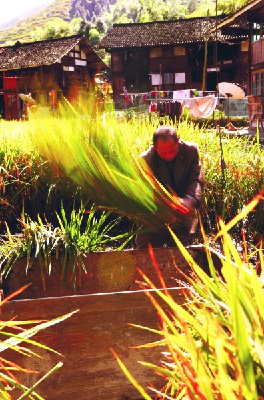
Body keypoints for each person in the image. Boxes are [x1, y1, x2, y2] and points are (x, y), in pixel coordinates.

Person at [136, 125, 204, 248]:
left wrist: (189, 199)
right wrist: (166, 203)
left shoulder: (191, 151)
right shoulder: (145, 160)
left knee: (179, 253)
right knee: (146, 254)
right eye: (164, 153)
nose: (168, 155)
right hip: (153, 216)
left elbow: (196, 179)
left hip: (181, 215)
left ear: (177, 142)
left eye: (172, 150)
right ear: (155, 148)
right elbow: (143, 190)